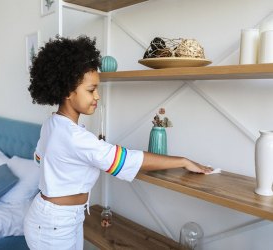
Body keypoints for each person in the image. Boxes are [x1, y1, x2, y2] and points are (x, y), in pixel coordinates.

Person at [24, 35, 212, 250]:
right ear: (67, 90)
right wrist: (182, 161)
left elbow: (39, 158)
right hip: (54, 226)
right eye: (91, 89)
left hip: (57, 219)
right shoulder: (74, 137)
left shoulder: (52, 124)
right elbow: (125, 160)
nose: (97, 96)